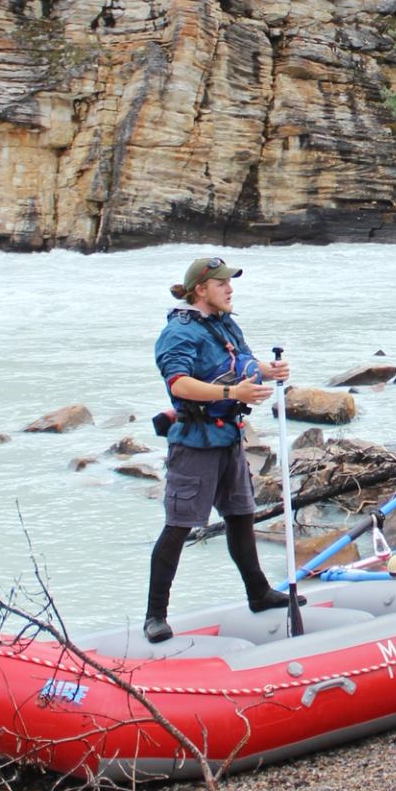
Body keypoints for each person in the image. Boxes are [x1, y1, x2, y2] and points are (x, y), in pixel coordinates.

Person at [143, 257, 294, 644]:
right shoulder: (178, 333)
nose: (229, 289)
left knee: (241, 516)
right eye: (222, 283)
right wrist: (232, 393)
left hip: (229, 437)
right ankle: (155, 616)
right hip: (194, 443)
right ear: (200, 289)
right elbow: (179, 384)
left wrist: (266, 371)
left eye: (229, 282)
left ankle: (258, 594)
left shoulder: (225, 322)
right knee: (178, 527)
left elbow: (241, 362)